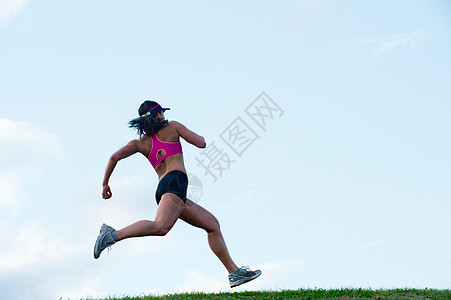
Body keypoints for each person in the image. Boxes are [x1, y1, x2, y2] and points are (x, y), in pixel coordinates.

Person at [93, 100, 261, 288]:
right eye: (162, 113)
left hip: (166, 188)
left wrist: (105, 184)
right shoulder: (173, 127)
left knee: (212, 225)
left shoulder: (140, 143)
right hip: (175, 183)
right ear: (156, 114)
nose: (164, 116)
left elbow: (113, 157)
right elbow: (201, 143)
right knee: (160, 227)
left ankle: (234, 273)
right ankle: (112, 235)